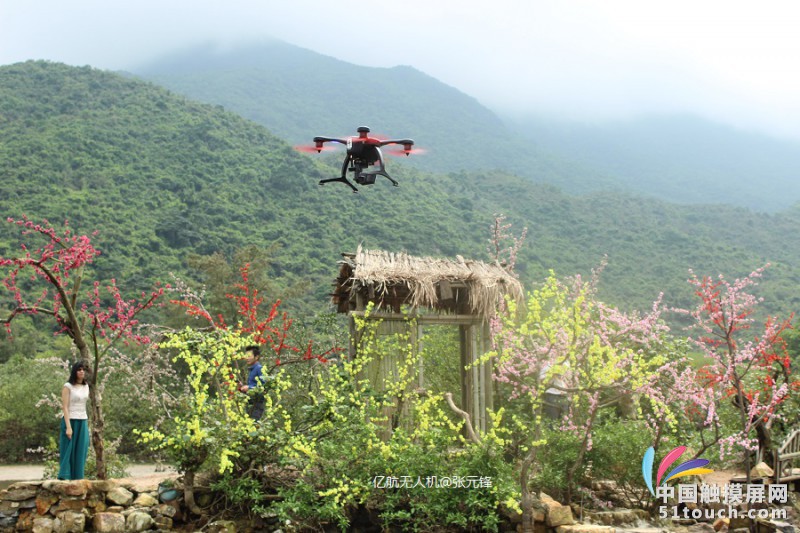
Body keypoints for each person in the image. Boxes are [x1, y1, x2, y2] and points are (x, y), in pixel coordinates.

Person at [58, 361, 90, 480]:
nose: (82, 371)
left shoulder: (86, 386)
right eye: (79, 369)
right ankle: (65, 477)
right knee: (68, 449)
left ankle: (78, 478)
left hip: (83, 420)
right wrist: (69, 427)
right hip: (70, 420)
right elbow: (65, 407)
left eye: (83, 370)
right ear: (74, 372)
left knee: (81, 449)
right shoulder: (68, 386)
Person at [238, 345, 265, 420]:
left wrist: (249, 387)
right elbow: (254, 385)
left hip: (256, 405)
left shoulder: (259, 369)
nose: (247, 358)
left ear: (256, 357)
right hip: (250, 404)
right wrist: (243, 387)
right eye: (246, 356)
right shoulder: (252, 369)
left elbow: (264, 387)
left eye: (249, 356)